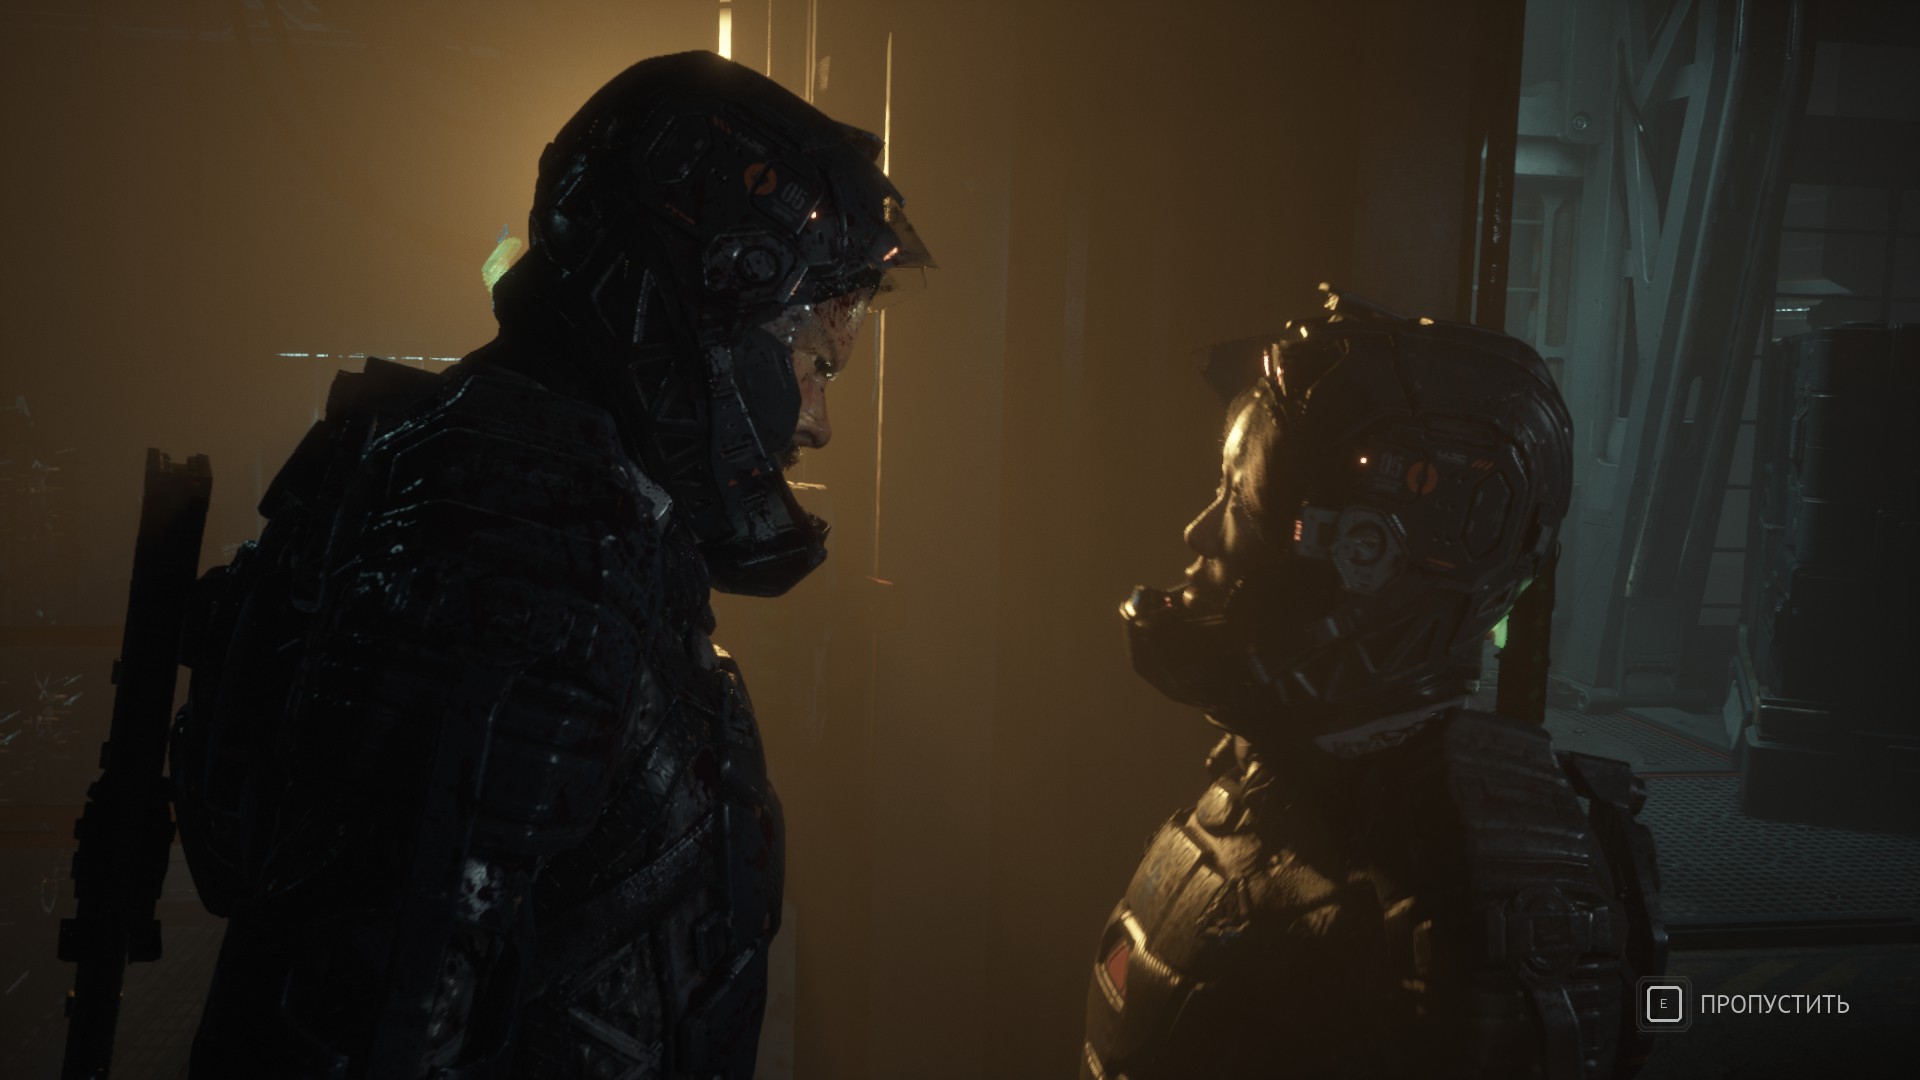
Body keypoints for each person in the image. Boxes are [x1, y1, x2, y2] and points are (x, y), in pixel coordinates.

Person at [168, 51, 930, 1077]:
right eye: (810, 360)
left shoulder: (555, 503)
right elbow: (379, 1015)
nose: (818, 421)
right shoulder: (520, 532)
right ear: (698, 309)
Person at [1080, 295, 1663, 1079]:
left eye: (1242, 504)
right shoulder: (1304, 785)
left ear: (1365, 560)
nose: (1201, 531)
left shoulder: (1470, 895)